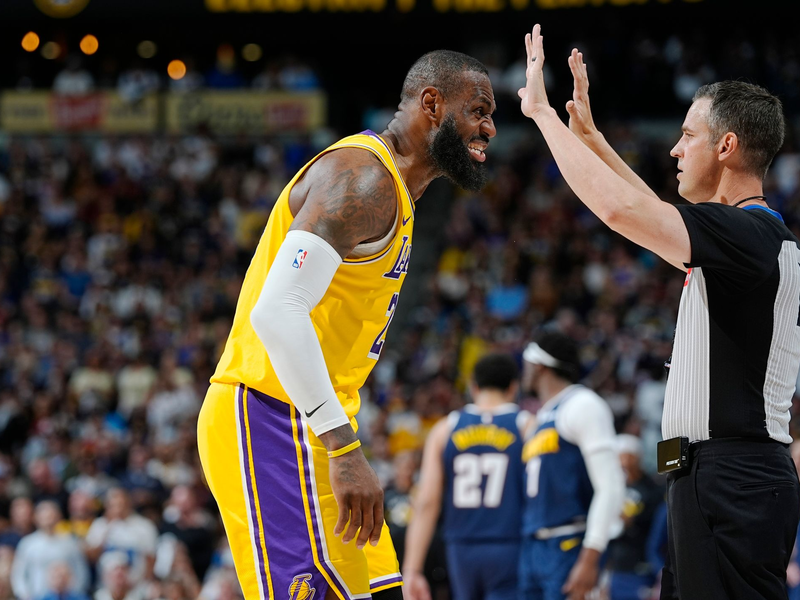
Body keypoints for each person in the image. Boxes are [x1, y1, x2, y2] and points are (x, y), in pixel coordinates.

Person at [197, 49, 496, 600]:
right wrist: (343, 447)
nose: (489, 129)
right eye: (479, 111)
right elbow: (277, 310)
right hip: (270, 417)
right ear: (432, 103)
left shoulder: (396, 191)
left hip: (313, 424)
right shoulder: (363, 178)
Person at [519, 24, 800, 600]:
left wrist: (543, 116)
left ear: (726, 146)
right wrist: (592, 140)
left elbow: (621, 212)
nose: (674, 148)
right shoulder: (749, 240)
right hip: (719, 476)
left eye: (688, 134)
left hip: (732, 476)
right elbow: (649, 214)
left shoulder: (746, 235)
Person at [403, 353, 529, 600]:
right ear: (514, 387)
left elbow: (426, 501)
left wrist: (412, 569)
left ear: (473, 386)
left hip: (461, 546)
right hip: (509, 543)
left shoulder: (445, 429)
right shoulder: (527, 426)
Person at [519, 331, 625, 600]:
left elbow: (611, 486)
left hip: (570, 542)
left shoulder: (582, 404)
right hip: (534, 545)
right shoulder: (542, 415)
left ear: (539, 365)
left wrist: (590, 557)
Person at [604, 434, 664, 600]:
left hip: (643, 563)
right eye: (619, 458)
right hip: (618, 565)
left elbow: (657, 524)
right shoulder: (612, 488)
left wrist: (634, 519)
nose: (623, 463)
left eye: (627, 457)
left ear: (637, 458)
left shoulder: (652, 488)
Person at [10, 501, 90, 600]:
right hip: (35, 596)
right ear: (36, 518)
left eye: (51, 516)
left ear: (59, 517)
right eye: (44, 517)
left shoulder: (69, 543)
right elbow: (18, 574)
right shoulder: (27, 544)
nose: (48, 521)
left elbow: (81, 571)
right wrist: (24, 595)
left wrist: (75, 593)